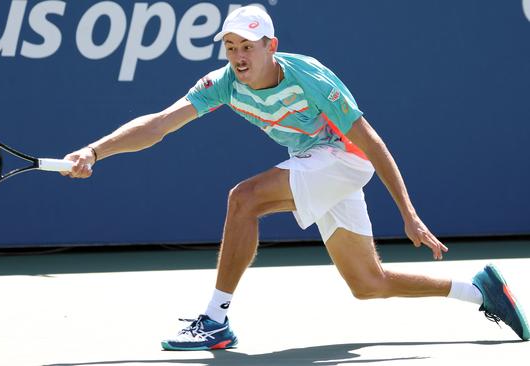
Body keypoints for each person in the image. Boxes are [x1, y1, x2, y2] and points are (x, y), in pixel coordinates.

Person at [62, 6, 529, 350]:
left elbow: (372, 143)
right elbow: (159, 124)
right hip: (313, 161)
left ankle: (215, 318)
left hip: (343, 158)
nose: (239, 57)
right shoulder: (223, 83)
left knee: (244, 199)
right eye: (231, 48)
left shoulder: (311, 79)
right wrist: (95, 150)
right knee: (368, 282)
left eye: (248, 47)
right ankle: (480, 290)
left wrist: (408, 214)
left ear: (271, 46)